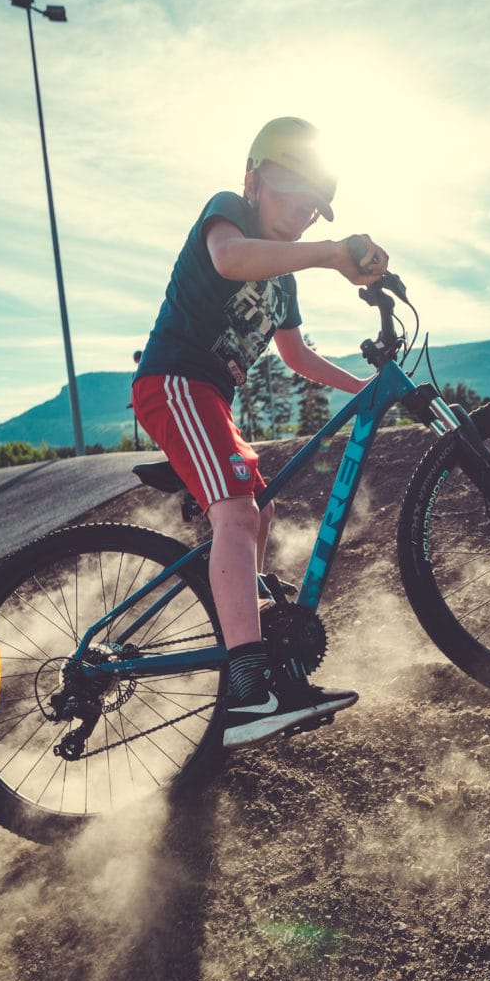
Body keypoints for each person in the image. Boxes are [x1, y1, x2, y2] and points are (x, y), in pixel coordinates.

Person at [132, 116, 389, 749]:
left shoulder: (285, 280)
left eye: (316, 207)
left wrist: (365, 390)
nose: (305, 211)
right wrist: (333, 254)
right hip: (173, 384)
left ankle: (260, 666)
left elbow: (296, 356)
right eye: (292, 191)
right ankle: (247, 695)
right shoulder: (230, 217)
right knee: (240, 516)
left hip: (211, 400)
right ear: (253, 181)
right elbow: (228, 259)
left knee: (258, 511)